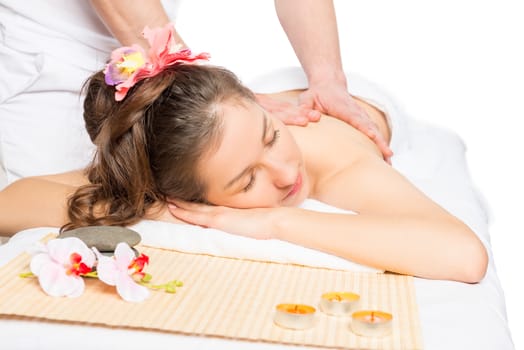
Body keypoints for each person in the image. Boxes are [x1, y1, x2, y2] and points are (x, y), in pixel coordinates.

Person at [0, 24, 487, 283]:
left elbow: (463, 256)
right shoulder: (203, 149)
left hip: (351, 101)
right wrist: (154, 207)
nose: (284, 173)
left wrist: (273, 222)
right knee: (226, 133)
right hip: (237, 116)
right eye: (245, 181)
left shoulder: (332, 159)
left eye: (271, 138)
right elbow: (13, 202)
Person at [0, 0, 391, 191]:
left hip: (153, 45)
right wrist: (198, 86)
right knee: (55, 216)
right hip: (48, 56)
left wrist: (327, 78)